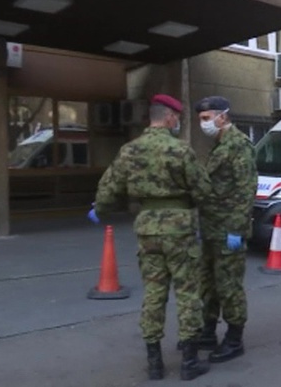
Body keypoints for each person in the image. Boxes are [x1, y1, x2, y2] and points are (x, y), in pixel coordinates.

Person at [88, 94, 212, 381]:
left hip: (147, 229)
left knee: (154, 292)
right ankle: (189, 362)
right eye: (176, 118)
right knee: (187, 293)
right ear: (169, 118)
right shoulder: (181, 150)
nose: (177, 122)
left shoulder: (129, 150)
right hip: (179, 229)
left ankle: (155, 363)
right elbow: (204, 190)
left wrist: (100, 209)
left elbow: (108, 188)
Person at [194, 96, 258, 363]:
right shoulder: (218, 145)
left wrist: (236, 230)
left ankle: (234, 338)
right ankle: (208, 331)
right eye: (201, 119)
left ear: (222, 116)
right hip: (211, 229)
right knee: (208, 283)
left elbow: (246, 190)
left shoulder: (239, 145)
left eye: (206, 118)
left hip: (229, 229)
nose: (203, 124)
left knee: (229, 285)